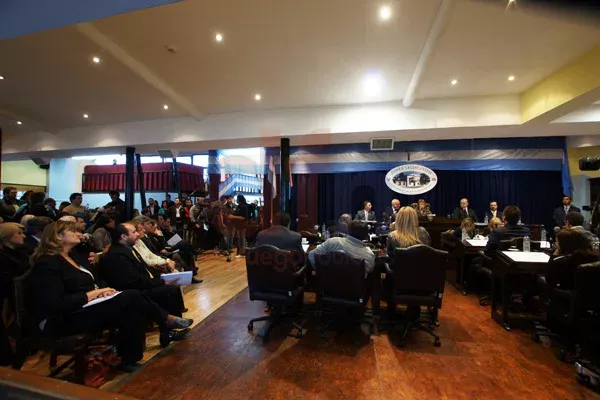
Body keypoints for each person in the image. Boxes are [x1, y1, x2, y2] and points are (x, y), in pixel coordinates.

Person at [30, 221, 192, 368]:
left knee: (131, 306)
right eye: (72, 232)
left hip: (85, 307)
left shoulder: (73, 256)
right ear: (58, 237)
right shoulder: (47, 264)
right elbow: (56, 303)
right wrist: (95, 293)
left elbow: (89, 283)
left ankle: (129, 358)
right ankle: (167, 320)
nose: (79, 234)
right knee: (132, 296)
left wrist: (103, 292)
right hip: (64, 318)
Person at [100, 223, 192, 323]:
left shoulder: (128, 249)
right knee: (169, 290)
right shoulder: (118, 255)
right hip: (132, 291)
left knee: (172, 283)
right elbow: (134, 281)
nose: (138, 234)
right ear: (123, 236)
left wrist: (162, 277)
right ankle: (170, 326)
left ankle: (171, 326)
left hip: (140, 284)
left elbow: (144, 269)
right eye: (134, 232)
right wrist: (162, 282)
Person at [0, 222, 29, 365]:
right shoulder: (3, 258)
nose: (23, 235)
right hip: (10, 298)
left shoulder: (21, 253)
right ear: (7, 237)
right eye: (19, 233)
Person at [308, 220, 375, 278]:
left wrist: (324, 273)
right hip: (355, 291)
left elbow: (311, 255)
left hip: (328, 289)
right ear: (366, 236)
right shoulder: (369, 255)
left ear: (348, 231)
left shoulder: (333, 242)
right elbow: (368, 274)